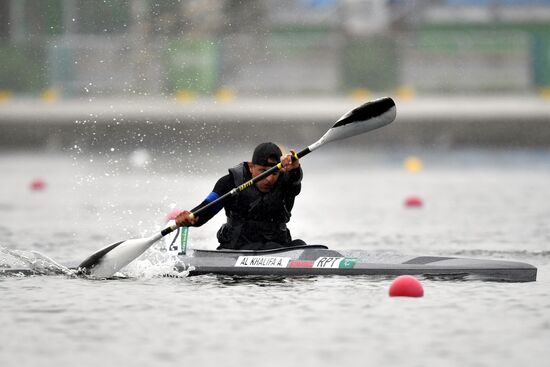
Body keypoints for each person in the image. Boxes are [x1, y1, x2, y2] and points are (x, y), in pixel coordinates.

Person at [175, 142, 306, 250]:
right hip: (237, 247)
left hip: (278, 246)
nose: (269, 179)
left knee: (300, 245)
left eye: (274, 173)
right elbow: (208, 207)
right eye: (263, 172)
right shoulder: (230, 182)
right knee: (264, 247)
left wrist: (295, 167)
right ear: (251, 167)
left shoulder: (287, 181)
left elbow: (295, 179)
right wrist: (190, 218)